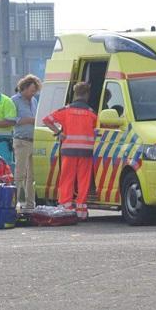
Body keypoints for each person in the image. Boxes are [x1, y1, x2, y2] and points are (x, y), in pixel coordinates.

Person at [42, 82, 97, 221]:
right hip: (86, 151)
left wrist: (59, 132)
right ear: (87, 95)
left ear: (75, 93)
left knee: (67, 178)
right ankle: (81, 210)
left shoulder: (65, 111)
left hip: (69, 150)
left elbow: (46, 120)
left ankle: (66, 207)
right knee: (83, 180)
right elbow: (98, 131)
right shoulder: (91, 113)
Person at [11, 74, 41, 212]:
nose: (33, 93)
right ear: (23, 88)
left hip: (33, 140)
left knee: (32, 175)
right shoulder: (14, 101)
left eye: (35, 90)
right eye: (31, 90)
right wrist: (27, 120)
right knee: (20, 174)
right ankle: (16, 203)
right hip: (21, 140)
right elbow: (11, 119)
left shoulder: (34, 101)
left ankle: (30, 204)